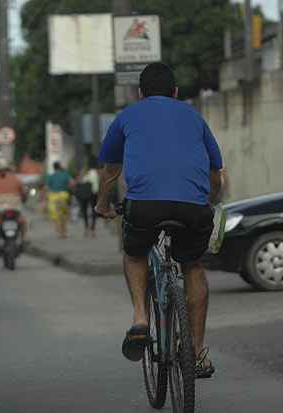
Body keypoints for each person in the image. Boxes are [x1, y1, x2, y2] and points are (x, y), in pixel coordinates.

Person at [96, 62, 223, 379]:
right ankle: (195, 354)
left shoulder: (127, 116)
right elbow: (214, 171)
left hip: (145, 206)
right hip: (193, 207)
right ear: (176, 92)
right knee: (193, 265)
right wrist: (211, 199)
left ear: (140, 93)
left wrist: (102, 204)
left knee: (135, 253)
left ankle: (140, 318)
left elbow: (111, 171)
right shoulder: (194, 116)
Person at [0, 157, 28, 252]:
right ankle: (23, 239)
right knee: (22, 221)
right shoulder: (16, 178)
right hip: (15, 207)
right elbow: (23, 193)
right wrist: (23, 199)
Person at [44, 162, 75, 238]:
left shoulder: (50, 176)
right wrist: (68, 187)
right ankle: (63, 232)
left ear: (54, 168)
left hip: (53, 196)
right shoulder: (65, 175)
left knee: (55, 215)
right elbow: (72, 183)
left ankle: (58, 228)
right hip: (63, 195)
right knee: (63, 215)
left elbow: (46, 188)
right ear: (60, 167)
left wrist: (45, 197)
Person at [75, 159, 100, 238]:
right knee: (93, 211)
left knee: (84, 211)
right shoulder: (94, 173)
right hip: (92, 194)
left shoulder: (83, 172)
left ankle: (86, 229)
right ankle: (92, 229)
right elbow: (96, 184)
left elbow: (78, 182)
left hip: (83, 194)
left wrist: (82, 175)